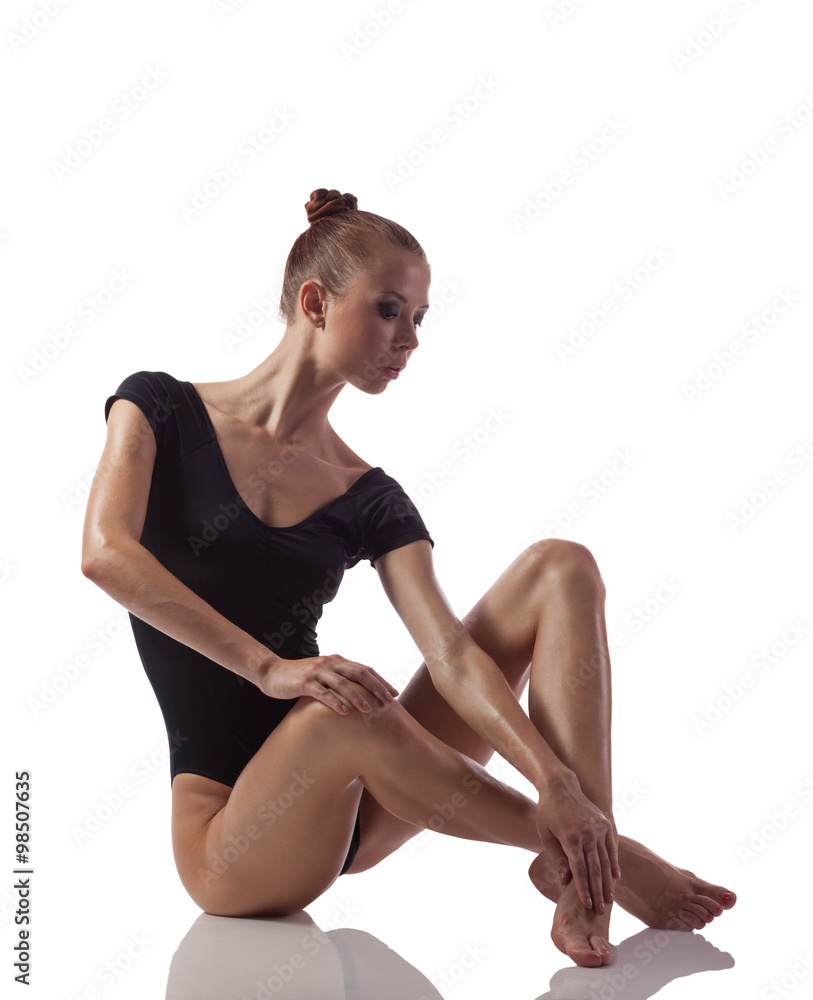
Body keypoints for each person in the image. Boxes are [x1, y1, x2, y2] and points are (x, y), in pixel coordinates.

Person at [81, 187, 736, 969]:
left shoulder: (369, 494)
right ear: (316, 303)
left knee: (560, 567)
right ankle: (603, 858)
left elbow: (452, 655)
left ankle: (583, 862)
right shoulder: (158, 408)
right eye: (390, 310)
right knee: (340, 710)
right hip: (234, 843)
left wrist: (553, 777)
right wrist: (270, 668)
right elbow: (106, 554)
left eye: (420, 318)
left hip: (366, 798)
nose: (410, 339)